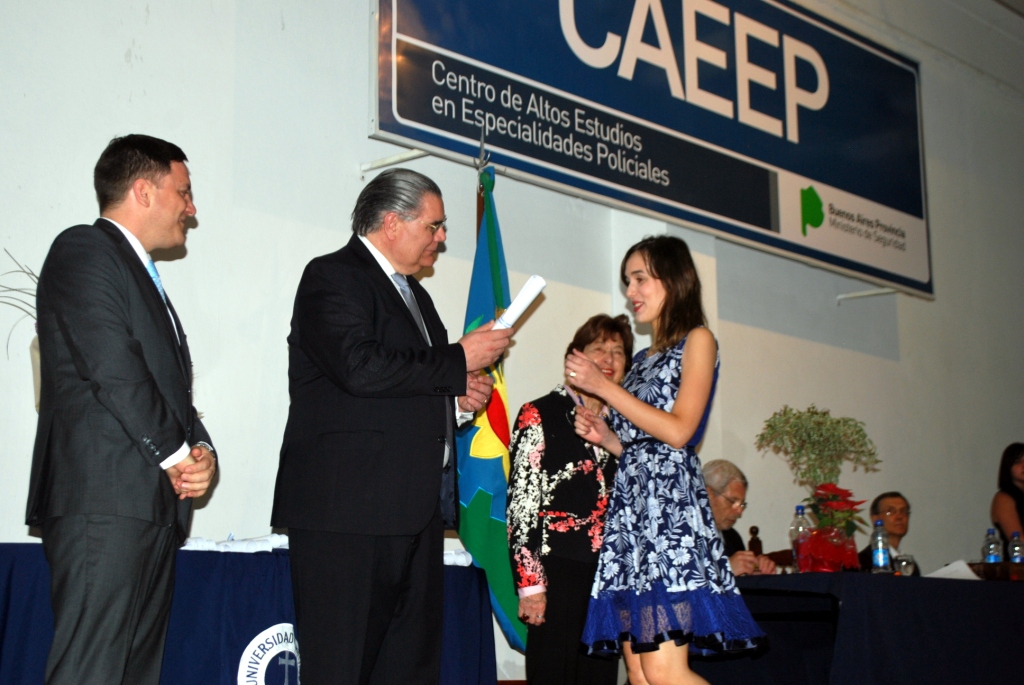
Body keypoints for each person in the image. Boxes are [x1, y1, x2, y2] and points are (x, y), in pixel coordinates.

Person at [271, 168, 513, 685]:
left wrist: (457, 394)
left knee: (408, 669)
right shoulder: (332, 276)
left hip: (414, 512)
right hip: (350, 514)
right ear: (391, 222)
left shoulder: (416, 298)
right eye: (435, 226)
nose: (442, 238)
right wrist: (456, 360)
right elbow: (360, 368)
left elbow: (404, 385)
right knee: (342, 667)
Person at [25, 134, 217, 685]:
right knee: (92, 671)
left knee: (133, 674)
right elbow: (114, 368)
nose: (191, 207)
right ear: (142, 190)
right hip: (105, 503)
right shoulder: (83, 249)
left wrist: (202, 451)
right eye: (183, 192)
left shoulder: (141, 276)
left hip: (149, 505)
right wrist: (178, 453)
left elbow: (165, 388)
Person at [568, 235, 764, 685]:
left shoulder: (698, 339)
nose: (630, 292)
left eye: (640, 279)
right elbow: (645, 447)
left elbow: (681, 431)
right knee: (638, 670)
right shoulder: (641, 361)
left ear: (673, 281)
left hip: (669, 519)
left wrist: (604, 387)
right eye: (626, 282)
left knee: (663, 668)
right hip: (633, 517)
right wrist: (608, 437)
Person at [507, 314, 633, 685]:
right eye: (599, 350)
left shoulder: (629, 425)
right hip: (555, 570)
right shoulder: (540, 413)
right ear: (575, 358)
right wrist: (531, 586)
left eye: (619, 352)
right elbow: (522, 505)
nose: (609, 360)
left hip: (608, 579)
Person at [702, 460, 777, 576]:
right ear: (708, 494)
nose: (740, 511)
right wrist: (725, 569)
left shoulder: (732, 537)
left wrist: (756, 572)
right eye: (732, 501)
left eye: (742, 504)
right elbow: (675, 584)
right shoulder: (681, 534)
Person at [857, 492, 919, 575]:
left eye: (903, 511)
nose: (899, 517)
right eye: (890, 511)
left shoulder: (909, 565)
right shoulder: (863, 563)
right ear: (875, 518)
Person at [991, 443, 1024, 554]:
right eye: (1018, 462)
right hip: (1017, 567)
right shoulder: (1004, 498)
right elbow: (1018, 541)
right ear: (1008, 467)